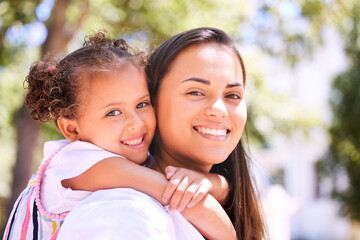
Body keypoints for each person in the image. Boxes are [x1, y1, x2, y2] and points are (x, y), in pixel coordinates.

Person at [3, 31, 234, 240]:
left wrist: (211, 182)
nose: (136, 123)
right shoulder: (76, 162)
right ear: (71, 129)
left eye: (142, 104)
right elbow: (179, 196)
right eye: (113, 112)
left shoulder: (129, 162)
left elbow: (207, 191)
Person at [58, 27, 268, 240]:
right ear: (153, 100)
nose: (219, 110)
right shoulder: (126, 215)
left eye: (233, 95)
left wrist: (213, 184)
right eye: (195, 92)